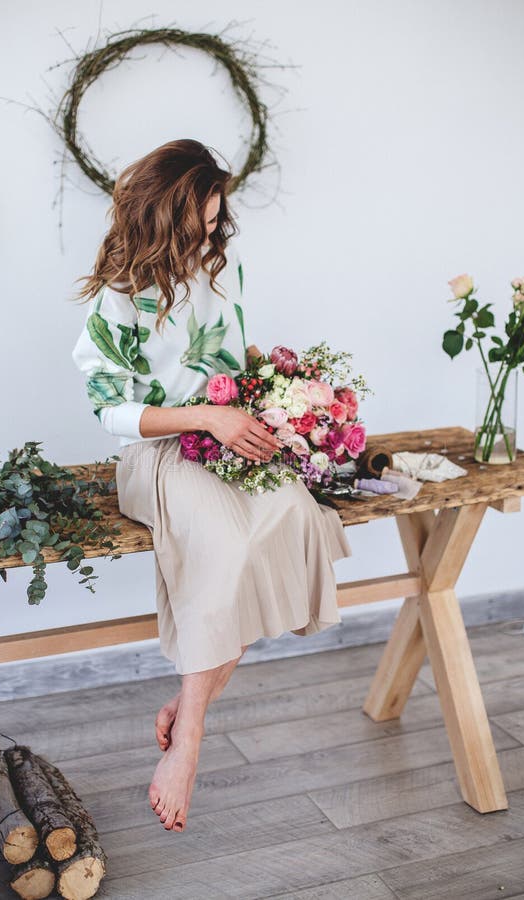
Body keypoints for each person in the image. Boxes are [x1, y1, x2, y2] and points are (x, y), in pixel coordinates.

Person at [71, 138, 353, 834]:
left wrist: (288, 385)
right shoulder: (119, 298)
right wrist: (205, 415)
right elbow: (111, 411)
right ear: (167, 211)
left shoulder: (223, 274)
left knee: (294, 517)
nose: (211, 229)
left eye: (216, 217)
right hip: (159, 454)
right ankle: (190, 738)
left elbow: (226, 359)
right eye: (201, 216)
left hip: (227, 435)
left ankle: (186, 705)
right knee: (226, 545)